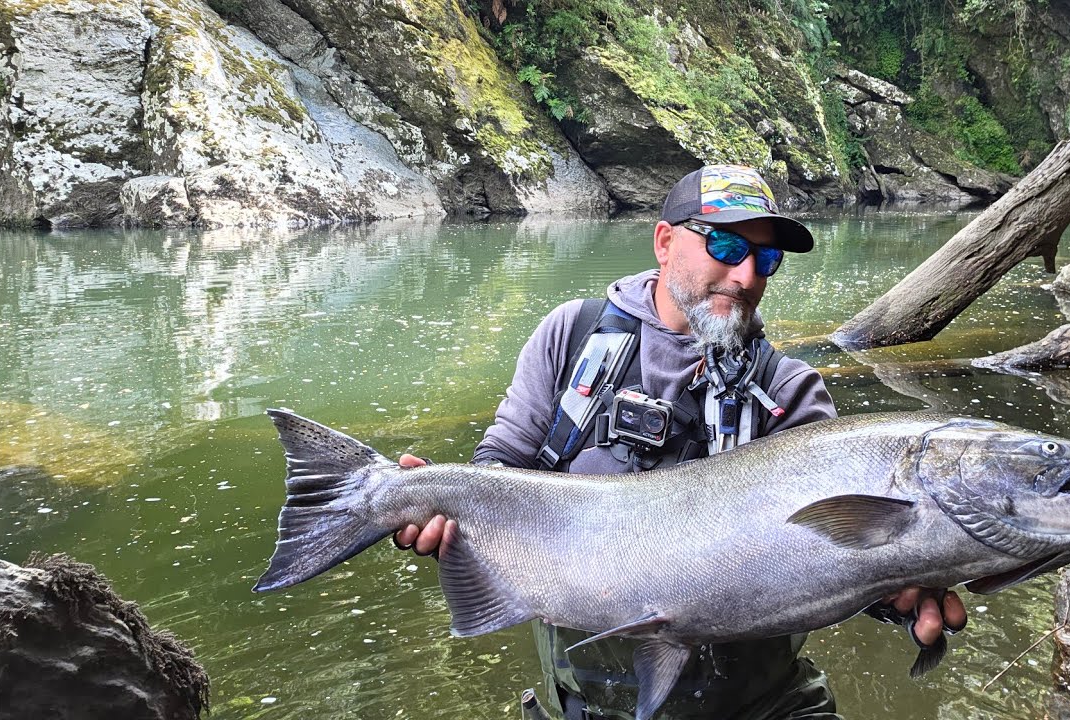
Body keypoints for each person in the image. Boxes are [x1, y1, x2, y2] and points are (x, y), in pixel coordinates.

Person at [393, 165, 967, 719]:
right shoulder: (573, 337)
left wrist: (895, 591)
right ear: (665, 242)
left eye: (765, 257)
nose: (747, 276)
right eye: (725, 247)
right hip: (589, 705)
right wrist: (444, 512)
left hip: (764, 704)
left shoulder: (788, 389)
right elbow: (500, 467)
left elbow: (829, 554)